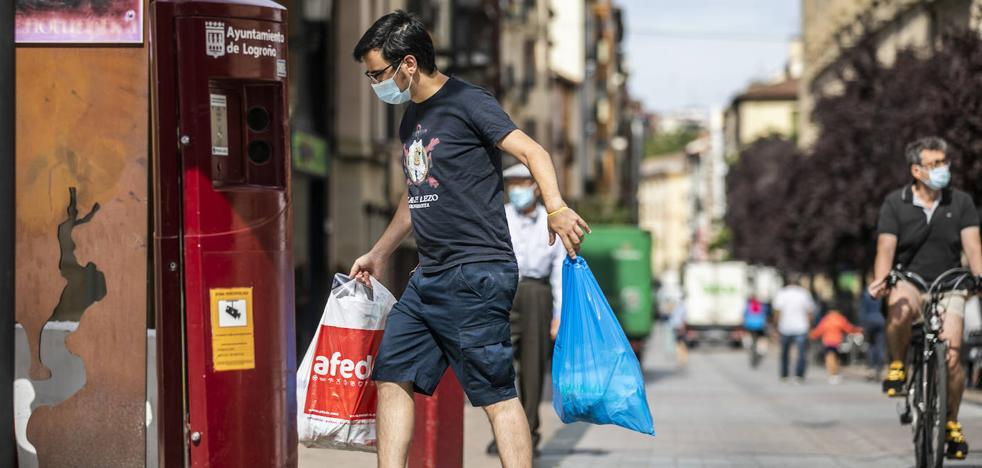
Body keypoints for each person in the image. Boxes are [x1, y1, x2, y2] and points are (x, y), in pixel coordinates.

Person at [348, 11, 590, 468]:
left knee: (495, 393)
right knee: (392, 373)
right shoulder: (411, 119)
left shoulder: (467, 101)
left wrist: (556, 208)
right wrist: (380, 252)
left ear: (409, 64)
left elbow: (532, 150)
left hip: (476, 272)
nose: (374, 83)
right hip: (430, 275)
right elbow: (415, 191)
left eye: (378, 73)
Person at [868, 136, 982, 460]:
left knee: (952, 355)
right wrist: (882, 280)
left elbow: (973, 246)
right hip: (911, 280)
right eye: (934, 164)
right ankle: (897, 365)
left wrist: (980, 275)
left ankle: (950, 422)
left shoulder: (960, 202)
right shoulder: (895, 202)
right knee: (900, 309)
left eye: (944, 162)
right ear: (916, 170)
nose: (942, 169)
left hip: (949, 282)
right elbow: (886, 247)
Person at [484, 164, 565, 457]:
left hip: (536, 294)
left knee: (532, 367)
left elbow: (558, 270)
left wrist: (558, 314)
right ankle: (502, 433)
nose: (515, 189)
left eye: (521, 182)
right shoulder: (500, 216)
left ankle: (529, 433)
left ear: (534, 185)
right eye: (511, 184)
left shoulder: (550, 220)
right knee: (497, 365)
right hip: (502, 290)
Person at [773, 276, 816, 383]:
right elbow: (810, 312)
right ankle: (799, 375)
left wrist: (776, 326)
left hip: (785, 327)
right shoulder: (804, 294)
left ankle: (784, 375)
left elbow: (777, 312)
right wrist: (810, 326)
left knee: (784, 352)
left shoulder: (782, 293)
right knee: (801, 353)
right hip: (801, 327)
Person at [808, 309, 862, 384]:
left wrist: (812, 335)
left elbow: (820, 330)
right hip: (836, 341)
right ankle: (834, 374)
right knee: (835, 358)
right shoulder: (839, 318)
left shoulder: (826, 319)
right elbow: (848, 328)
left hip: (827, 341)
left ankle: (831, 374)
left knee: (829, 357)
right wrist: (857, 330)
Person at [859, 276, 887, 381]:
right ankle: (879, 369)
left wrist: (862, 324)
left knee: (871, 346)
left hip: (869, 322)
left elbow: (862, 310)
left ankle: (871, 368)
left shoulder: (866, 293)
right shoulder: (883, 292)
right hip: (881, 321)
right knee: (880, 346)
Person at [744, 294, 770, 367]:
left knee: (750, 337)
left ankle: (750, 347)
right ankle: (760, 350)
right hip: (759, 326)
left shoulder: (748, 305)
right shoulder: (762, 306)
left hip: (750, 325)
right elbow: (766, 314)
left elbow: (744, 314)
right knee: (761, 338)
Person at [668, 296, 688, 368]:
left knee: (680, 344)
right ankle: (681, 359)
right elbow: (682, 319)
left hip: (678, 327)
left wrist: (682, 328)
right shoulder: (680, 308)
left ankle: (682, 359)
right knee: (680, 344)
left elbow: (681, 319)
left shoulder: (678, 308)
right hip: (678, 327)